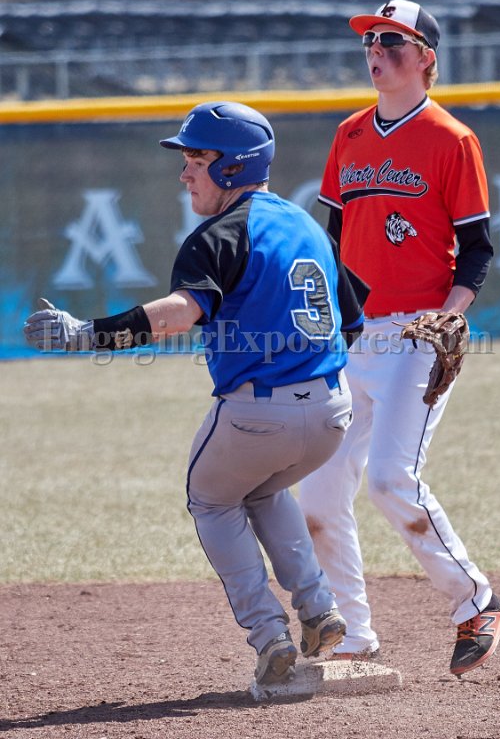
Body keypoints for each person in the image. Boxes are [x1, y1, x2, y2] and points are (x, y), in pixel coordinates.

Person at [24, 101, 367, 689]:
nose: (184, 174)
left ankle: (270, 636)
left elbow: (180, 313)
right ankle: (319, 608)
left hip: (261, 413)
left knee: (210, 498)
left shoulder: (219, 234)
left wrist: (88, 334)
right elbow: (353, 322)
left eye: (196, 159)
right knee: (261, 489)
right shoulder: (308, 225)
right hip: (334, 411)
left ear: (233, 166)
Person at [298, 0, 500, 677]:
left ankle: (477, 602)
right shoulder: (350, 134)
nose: (377, 51)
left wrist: (452, 312)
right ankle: (352, 633)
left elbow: (476, 248)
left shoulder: (451, 139)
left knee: (392, 479)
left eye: (393, 41)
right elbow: (329, 240)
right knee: (318, 494)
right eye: (371, 41)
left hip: (419, 331)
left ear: (425, 58)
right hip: (353, 337)